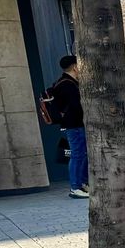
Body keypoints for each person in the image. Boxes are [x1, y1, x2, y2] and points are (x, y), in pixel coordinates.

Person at [45, 54, 88, 198]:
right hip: (74, 125)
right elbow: (76, 106)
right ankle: (75, 187)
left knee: (81, 154)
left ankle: (81, 184)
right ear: (75, 67)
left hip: (74, 124)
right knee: (77, 155)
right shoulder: (67, 84)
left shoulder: (65, 82)